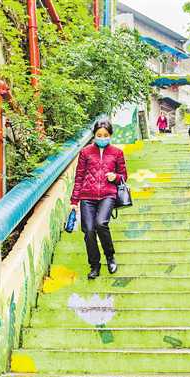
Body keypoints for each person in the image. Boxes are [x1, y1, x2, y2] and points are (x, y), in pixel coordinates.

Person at [70, 119, 128, 280]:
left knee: (101, 223)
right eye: (99, 135)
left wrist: (115, 177)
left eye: (105, 135)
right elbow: (79, 177)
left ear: (110, 135)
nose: (102, 138)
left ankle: (110, 256)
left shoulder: (117, 153)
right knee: (89, 231)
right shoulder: (85, 152)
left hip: (108, 195)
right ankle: (94, 265)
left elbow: (124, 176)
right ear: (94, 135)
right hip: (87, 196)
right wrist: (74, 201)